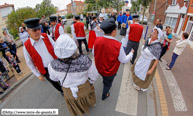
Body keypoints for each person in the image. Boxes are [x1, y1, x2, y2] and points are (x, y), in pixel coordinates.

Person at [48, 34, 99, 116]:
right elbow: (94, 75)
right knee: (88, 95)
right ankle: (90, 104)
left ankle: (79, 112)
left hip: (68, 92)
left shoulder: (52, 65)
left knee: (73, 103)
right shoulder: (85, 60)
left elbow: (54, 79)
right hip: (84, 87)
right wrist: (90, 81)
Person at [93, 18, 134, 100]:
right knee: (107, 84)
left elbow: (94, 53)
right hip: (110, 71)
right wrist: (131, 54)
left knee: (104, 78)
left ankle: (104, 80)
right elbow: (124, 60)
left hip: (99, 68)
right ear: (114, 32)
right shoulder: (118, 45)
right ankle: (105, 95)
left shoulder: (97, 40)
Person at [23, 18, 63, 95]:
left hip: (56, 63)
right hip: (45, 70)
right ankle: (61, 91)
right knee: (54, 82)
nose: (38, 32)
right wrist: (38, 75)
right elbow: (29, 63)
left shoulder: (46, 36)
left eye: (39, 29)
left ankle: (67, 88)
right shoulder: (26, 46)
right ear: (28, 31)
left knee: (63, 77)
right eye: (34, 30)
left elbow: (55, 46)